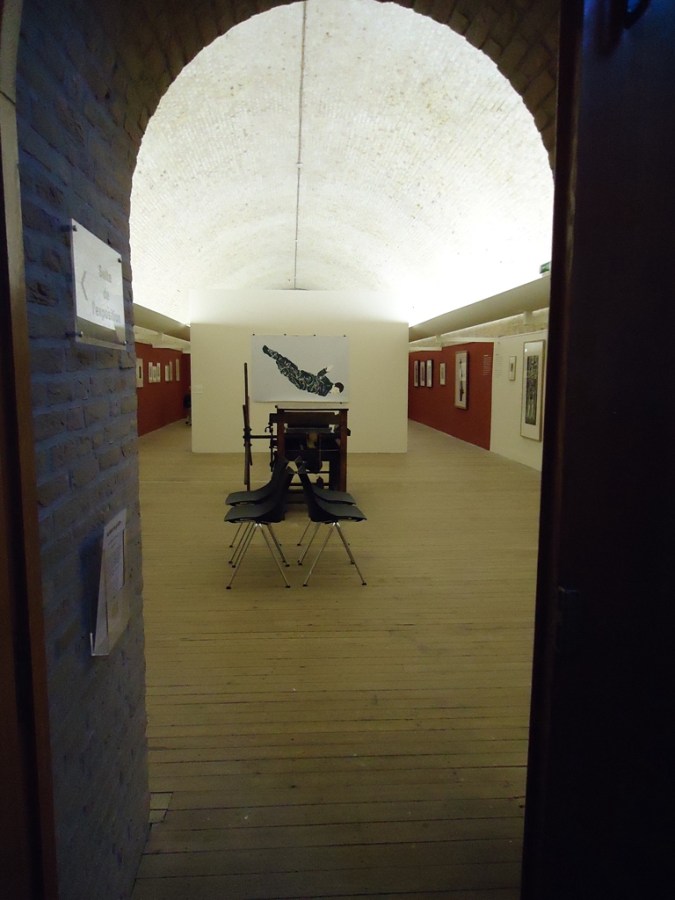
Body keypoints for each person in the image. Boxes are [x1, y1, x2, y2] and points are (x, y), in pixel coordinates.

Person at [262, 344, 344, 397]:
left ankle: (277, 361)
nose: (336, 393)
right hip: (307, 379)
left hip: (302, 386)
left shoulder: (325, 394)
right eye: (337, 391)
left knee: (286, 373)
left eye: (337, 393)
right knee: (290, 367)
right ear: (334, 386)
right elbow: (320, 375)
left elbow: (313, 391)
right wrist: (326, 370)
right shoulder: (328, 384)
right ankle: (272, 354)